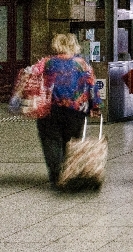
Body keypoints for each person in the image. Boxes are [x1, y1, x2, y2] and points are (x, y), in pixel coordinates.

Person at [36, 33, 102, 188]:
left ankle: (56, 176)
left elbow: (33, 81)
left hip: (50, 109)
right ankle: (70, 173)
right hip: (76, 111)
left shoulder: (46, 64)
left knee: (51, 141)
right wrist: (96, 106)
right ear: (74, 46)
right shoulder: (82, 64)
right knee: (71, 141)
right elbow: (92, 86)